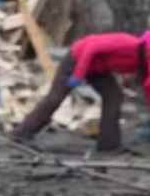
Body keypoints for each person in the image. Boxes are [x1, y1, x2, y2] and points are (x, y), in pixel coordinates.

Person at [12, 31, 150, 151]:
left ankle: (109, 145)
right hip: (77, 58)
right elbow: (92, 46)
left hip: (98, 70)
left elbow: (147, 85)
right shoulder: (127, 42)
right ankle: (22, 133)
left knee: (114, 96)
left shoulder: (144, 61)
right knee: (55, 98)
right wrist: (78, 74)